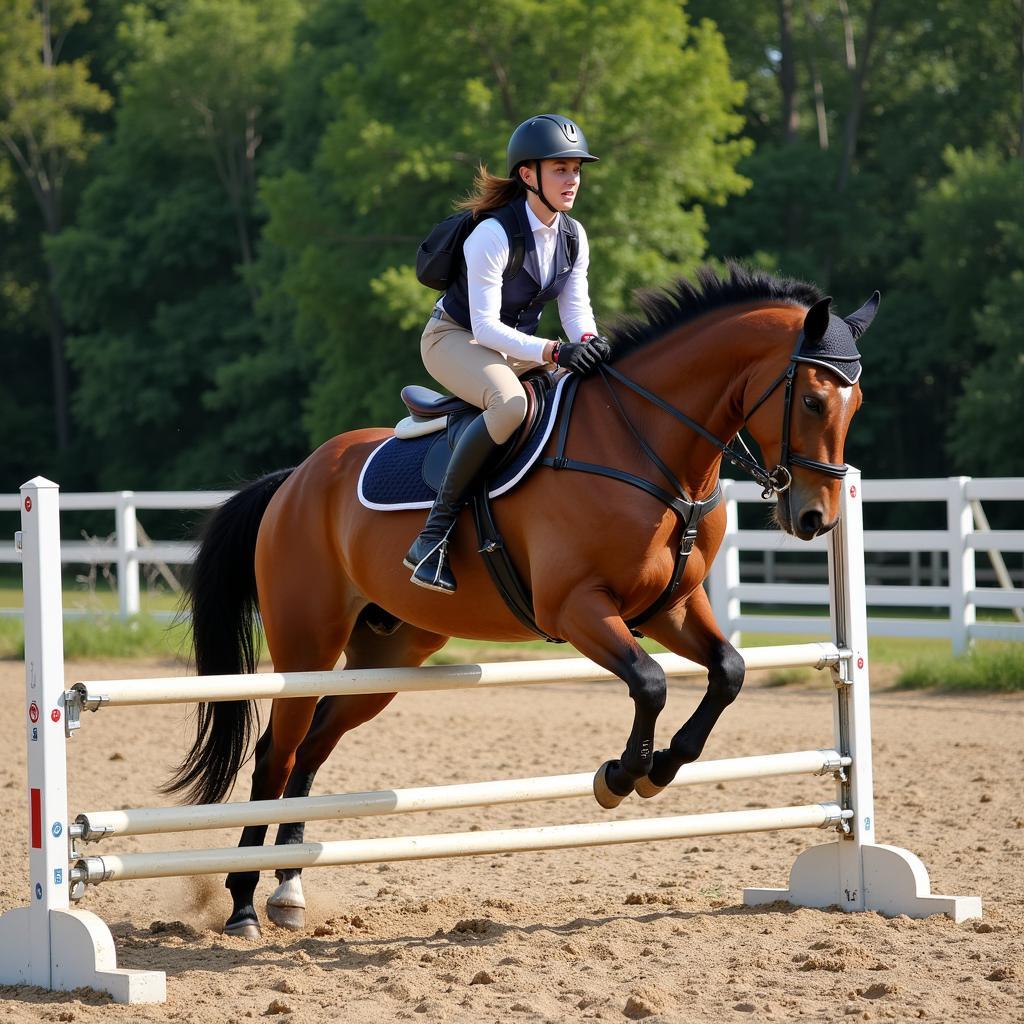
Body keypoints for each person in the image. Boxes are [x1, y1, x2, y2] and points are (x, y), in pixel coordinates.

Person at [404, 113, 612, 594]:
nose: (573, 179)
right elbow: (484, 327)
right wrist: (554, 350)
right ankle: (432, 539)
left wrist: (587, 345)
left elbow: (577, 310)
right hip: (455, 339)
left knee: (595, 392)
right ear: (528, 175)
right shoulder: (493, 235)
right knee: (512, 404)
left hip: (516, 346)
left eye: (577, 169)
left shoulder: (573, 235)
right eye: (561, 169)